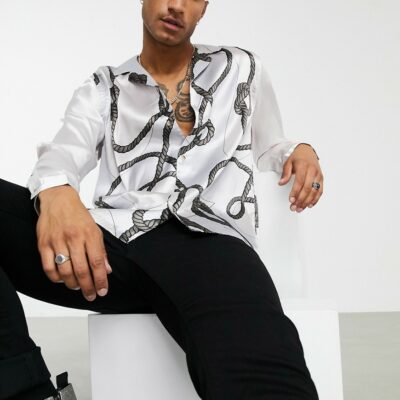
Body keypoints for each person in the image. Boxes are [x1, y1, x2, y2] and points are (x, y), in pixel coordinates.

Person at [0, 0, 324, 399]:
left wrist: (299, 150)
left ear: (204, 8)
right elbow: (64, 153)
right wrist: (57, 193)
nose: (176, 5)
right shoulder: (104, 87)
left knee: (264, 375)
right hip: (111, 250)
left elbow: (272, 144)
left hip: (211, 242)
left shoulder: (241, 68)